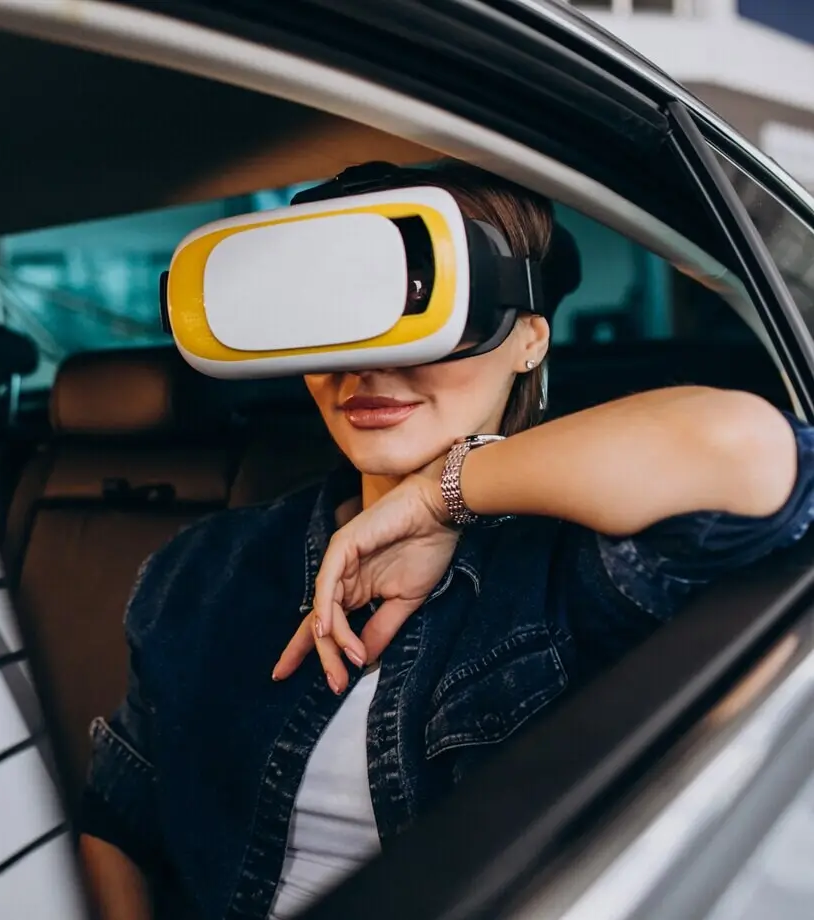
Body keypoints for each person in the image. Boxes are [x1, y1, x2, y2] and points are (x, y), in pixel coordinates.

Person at [75, 161, 814, 920]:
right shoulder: (203, 569)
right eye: (330, 314)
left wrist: (442, 496)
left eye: (424, 309)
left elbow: (747, 452)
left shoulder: (575, 564)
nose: (366, 363)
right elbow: (119, 817)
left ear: (528, 338)